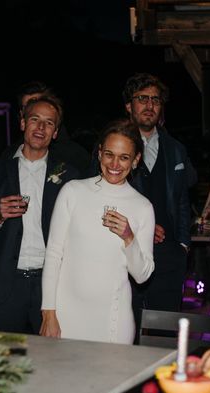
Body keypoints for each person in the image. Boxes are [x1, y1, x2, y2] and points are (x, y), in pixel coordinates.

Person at [0, 96, 79, 334]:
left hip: (51, 287)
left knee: (54, 363)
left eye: (49, 123)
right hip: (4, 285)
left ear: (56, 132)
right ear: (22, 123)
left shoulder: (70, 176)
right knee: (1, 362)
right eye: (35, 119)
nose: (41, 127)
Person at [40, 119, 155, 343]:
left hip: (113, 321)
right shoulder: (73, 191)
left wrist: (128, 237)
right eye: (109, 154)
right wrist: (48, 312)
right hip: (66, 316)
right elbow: (53, 255)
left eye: (124, 157)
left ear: (135, 160)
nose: (115, 164)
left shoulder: (143, 207)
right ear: (100, 153)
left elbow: (142, 275)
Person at [123, 73, 193, 339]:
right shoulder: (113, 146)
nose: (149, 105)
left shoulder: (176, 150)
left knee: (165, 332)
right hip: (128, 251)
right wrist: (142, 228)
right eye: (142, 98)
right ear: (129, 106)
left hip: (169, 255)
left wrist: (184, 243)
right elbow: (104, 198)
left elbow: (183, 199)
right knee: (128, 328)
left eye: (155, 99)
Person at [6, 80, 91, 176]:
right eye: (28, 106)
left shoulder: (75, 156)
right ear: (22, 116)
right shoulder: (8, 157)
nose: (37, 108)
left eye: (40, 103)